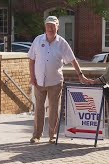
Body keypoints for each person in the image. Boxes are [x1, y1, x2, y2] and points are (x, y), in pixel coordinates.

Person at [28, 16, 88, 144]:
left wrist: (80, 74)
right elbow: (31, 60)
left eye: (53, 26)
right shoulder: (38, 40)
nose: (50, 28)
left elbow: (72, 60)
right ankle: (36, 135)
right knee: (38, 109)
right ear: (45, 27)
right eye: (48, 25)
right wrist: (32, 77)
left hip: (55, 82)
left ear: (57, 27)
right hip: (39, 82)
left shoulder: (62, 43)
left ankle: (52, 135)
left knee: (54, 109)